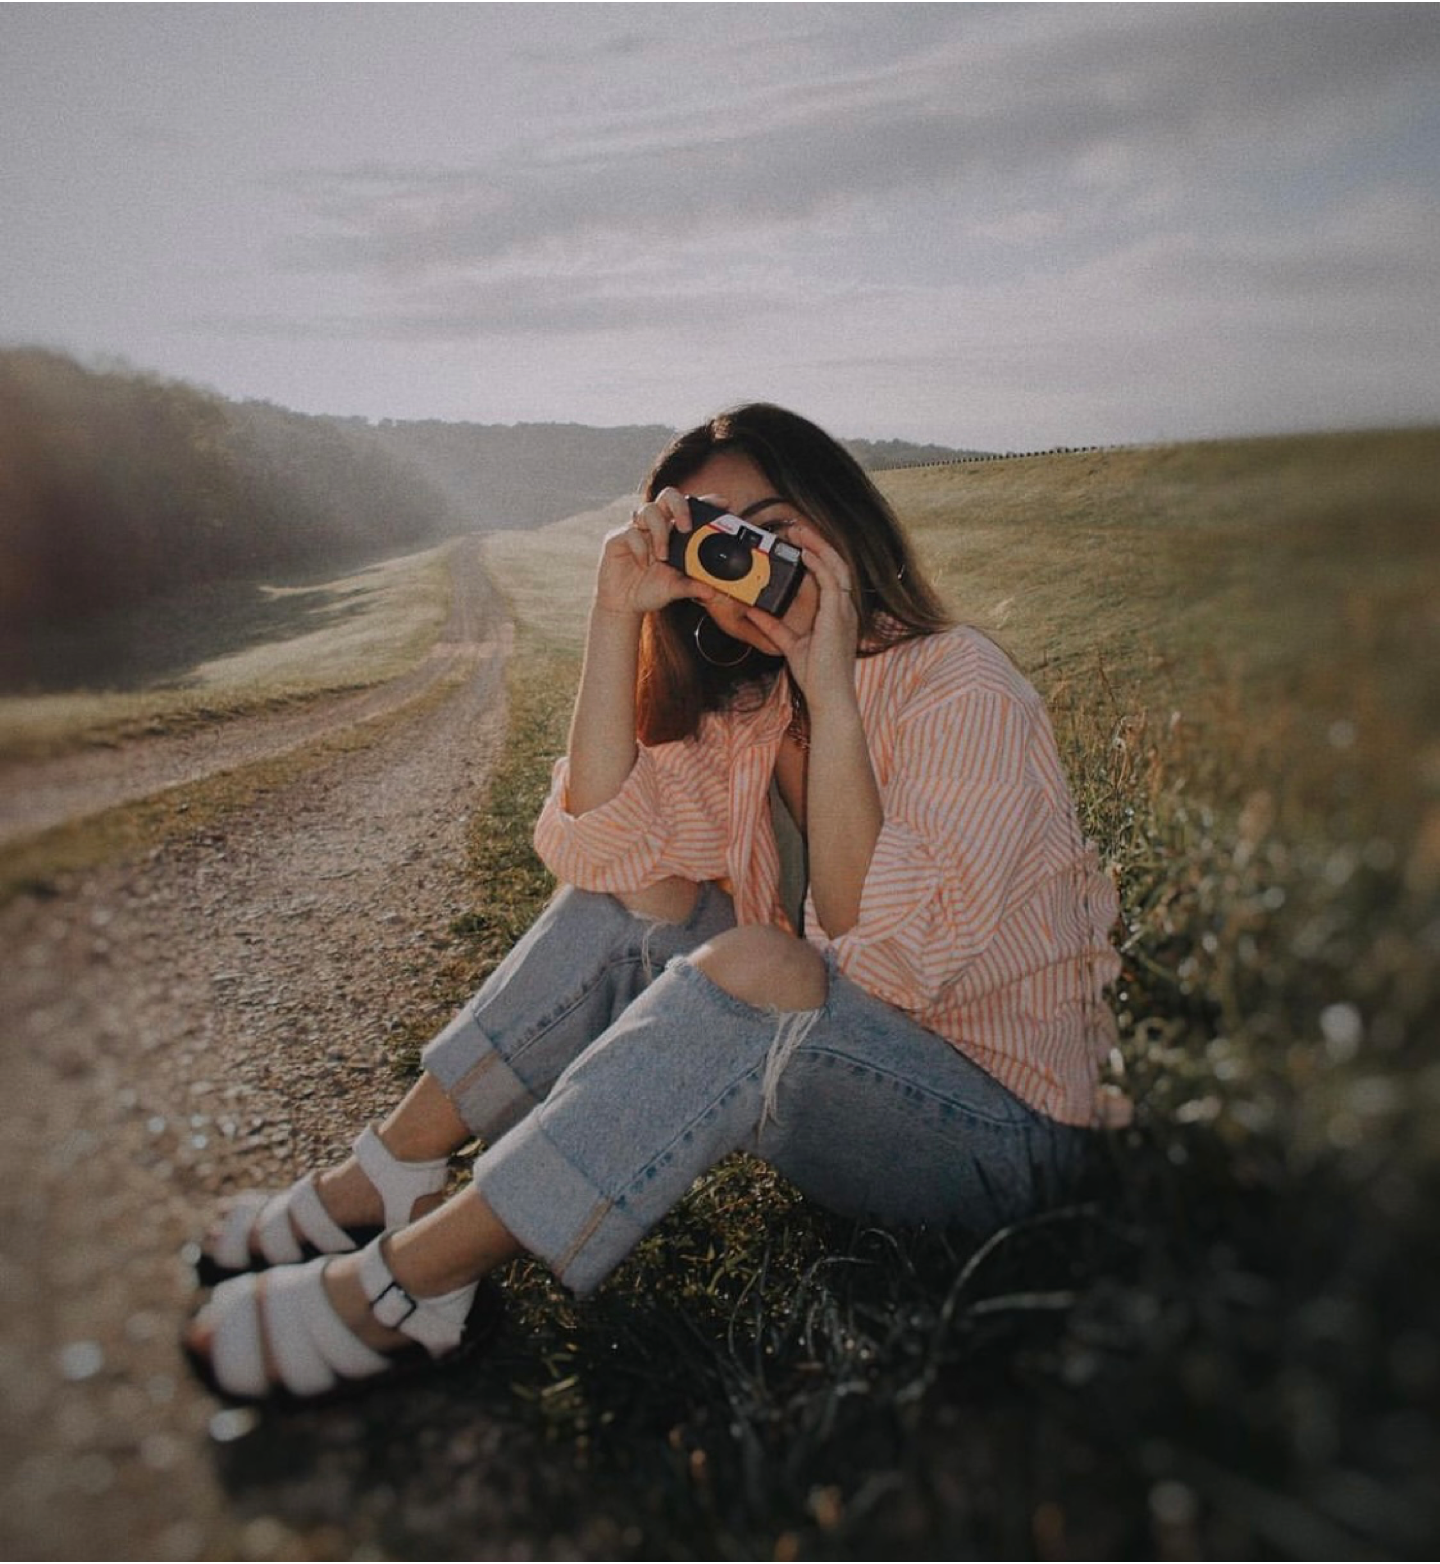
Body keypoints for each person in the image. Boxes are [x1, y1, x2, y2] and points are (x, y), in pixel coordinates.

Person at [183, 402, 1123, 1403]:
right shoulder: (754, 711)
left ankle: (407, 1284)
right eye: (714, 541)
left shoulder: (957, 685)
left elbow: (889, 968)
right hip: (859, 1079)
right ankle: (385, 1173)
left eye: (770, 522)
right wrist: (613, 612)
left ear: (840, 520)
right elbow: (611, 859)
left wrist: (834, 691)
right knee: (644, 911)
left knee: (763, 965)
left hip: (1005, 1136)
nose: (747, 555)